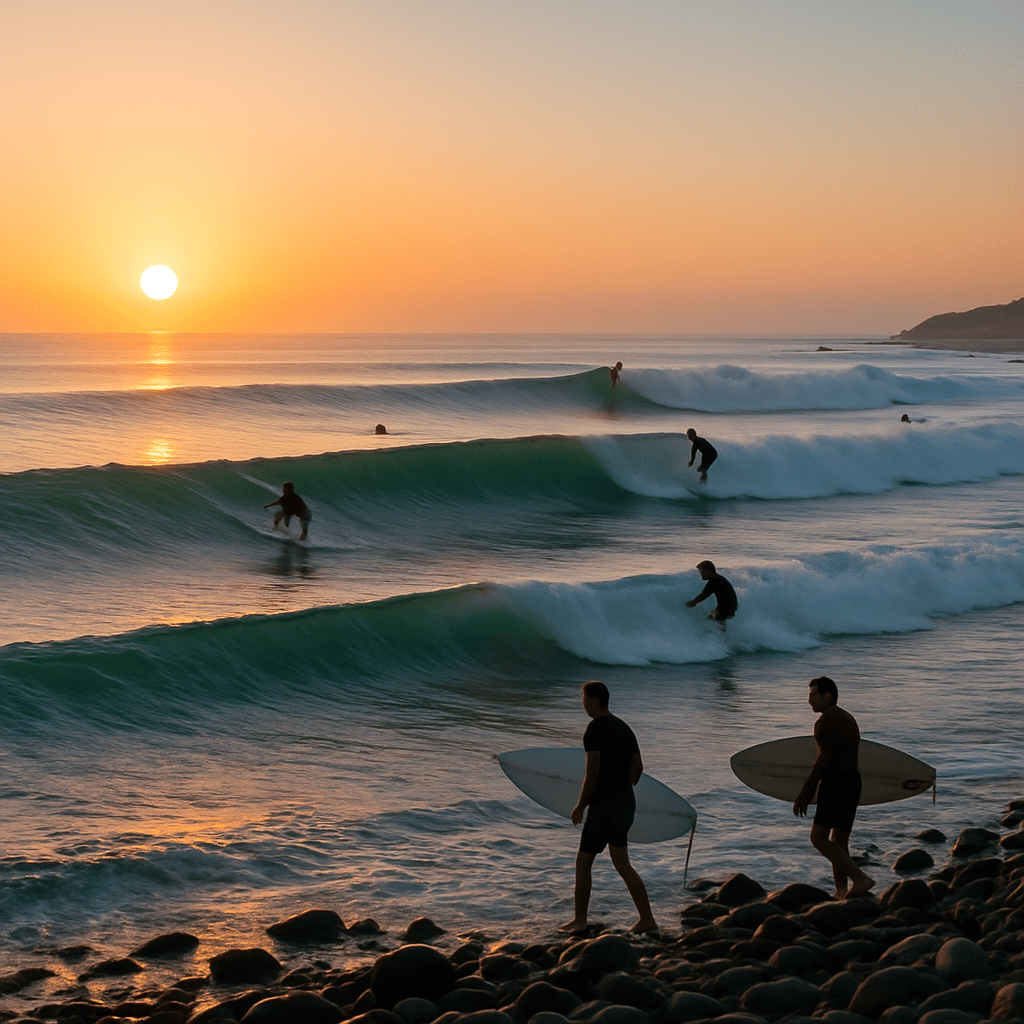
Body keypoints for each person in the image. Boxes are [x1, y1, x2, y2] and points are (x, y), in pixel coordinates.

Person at [560, 681, 657, 936]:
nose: (582, 704)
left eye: (584, 699)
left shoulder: (595, 730)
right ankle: (647, 919)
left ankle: (580, 920)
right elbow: (638, 767)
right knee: (623, 864)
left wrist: (581, 805)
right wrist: (625, 787)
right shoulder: (624, 728)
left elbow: (591, 774)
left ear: (594, 700)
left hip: (604, 809)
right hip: (625, 805)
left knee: (583, 863)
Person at [793, 676, 876, 900]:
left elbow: (823, 759)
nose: (809, 700)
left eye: (813, 695)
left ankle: (860, 879)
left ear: (826, 696)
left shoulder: (825, 722)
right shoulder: (848, 717)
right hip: (852, 783)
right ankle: (841, 891)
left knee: (818, 837)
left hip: (836, 784)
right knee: (839, 842)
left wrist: (807, 791)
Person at [686, 560, 737, 628]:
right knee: (712, 619)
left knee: (715, 620)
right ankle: (722, 636)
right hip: (729, 605)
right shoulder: (718, 578)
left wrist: (693, 602)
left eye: (702, 571)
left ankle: (719, 637)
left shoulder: (714, 581)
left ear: (709, 571)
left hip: (726, 607)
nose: (701, 574)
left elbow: (703, 595)